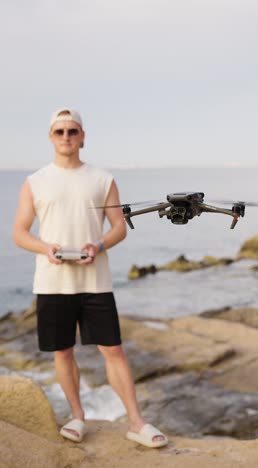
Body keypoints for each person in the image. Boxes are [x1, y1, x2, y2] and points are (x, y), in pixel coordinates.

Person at [13, 108, 168, 448]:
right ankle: (77, 416)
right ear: (51, 137)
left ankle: (136, 422)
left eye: (72, 131)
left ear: (83, 136)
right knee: (63, 352)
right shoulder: (35, 182)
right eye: (60, 132)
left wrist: (98, 245)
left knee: (114, 350)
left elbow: (118, 228)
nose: (66, 137)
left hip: (95, 281)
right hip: (53, 283)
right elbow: (20, 233)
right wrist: (45, 248)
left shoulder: (102, 179)